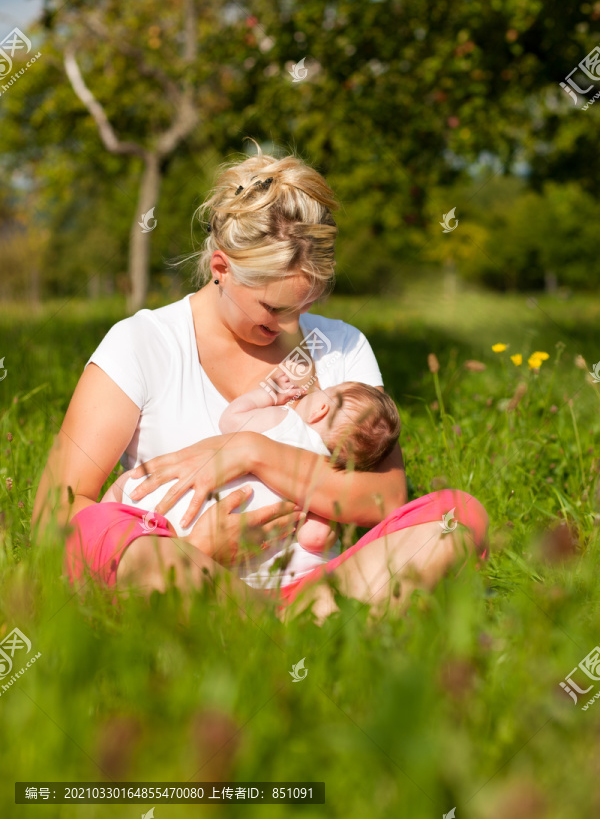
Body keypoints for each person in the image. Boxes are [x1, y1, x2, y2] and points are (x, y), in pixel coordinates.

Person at [32, 141, 489, 622]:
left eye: (305, 305)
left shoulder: (343, 346)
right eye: (274, 308)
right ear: (221, 268)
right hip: (188, 571)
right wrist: (199, 548)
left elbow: (387, 497)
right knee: (97, 529)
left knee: (457, 514)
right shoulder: (142, 344)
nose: (292, 325)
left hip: (315, 582)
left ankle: (277, 627)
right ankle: (293, 628)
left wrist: (253, 451)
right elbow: (54, 514)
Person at [104, 368, 401, 590]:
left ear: (321, 408)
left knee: (121, 506)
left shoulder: (283, 419)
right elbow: (315, 538)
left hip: (166, 506)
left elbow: (231, 419)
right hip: (239, 566)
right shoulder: (325, 477)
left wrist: (269, 394)